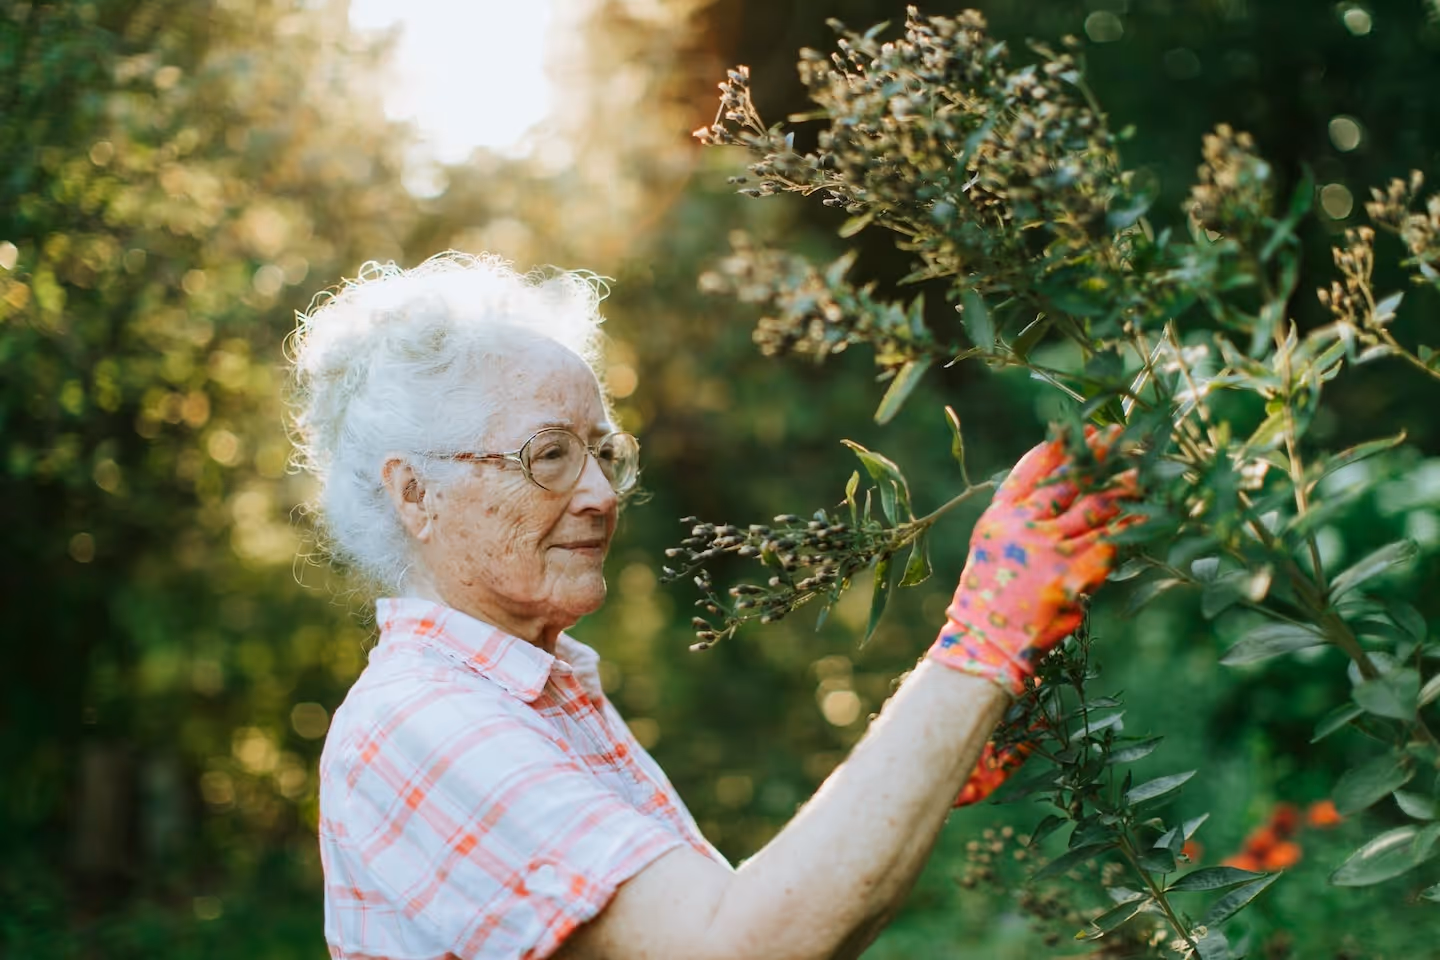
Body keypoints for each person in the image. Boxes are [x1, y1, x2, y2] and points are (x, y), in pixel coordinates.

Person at [290, 252, 1135, 960]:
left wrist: (931, 752)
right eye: (548, 455)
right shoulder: (423, 720)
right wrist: (981, 643)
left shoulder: (526, 694)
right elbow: (735, 946)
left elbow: (770, 923)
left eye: (603, 453)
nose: (600, 494)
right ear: (416, 493)